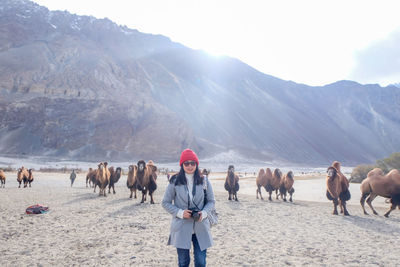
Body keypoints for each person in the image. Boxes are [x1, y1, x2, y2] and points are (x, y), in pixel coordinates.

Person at [162, 149, 215, 267]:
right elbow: (165, 202)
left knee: (201, 262)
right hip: (181, 226)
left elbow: (211, 201)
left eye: (193, 163)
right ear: (182, 165)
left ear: (197, 164)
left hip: (200, 226)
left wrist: (204, 213)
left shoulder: (204, 180)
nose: (190, 166)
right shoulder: (174, 181)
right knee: (183, 262)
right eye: (186, 163)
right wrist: (180, 213)